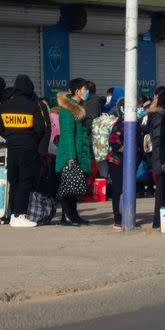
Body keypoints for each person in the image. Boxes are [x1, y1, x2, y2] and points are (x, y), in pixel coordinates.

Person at [0, 75, 45, 228]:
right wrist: (29, 139)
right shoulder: (33, 105)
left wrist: (11, 137)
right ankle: (20, 214)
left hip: (11, 148)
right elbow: (40, 129)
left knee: (14, 180)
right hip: (28, 148)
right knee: (25, 181)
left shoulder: (4, 106)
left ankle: (13, 215)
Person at [55, 79, 93, 226]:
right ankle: (69, 216)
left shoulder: (77, 107)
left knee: (72, 185)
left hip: (78, 151)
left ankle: (73, 215)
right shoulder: (67, 110)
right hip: (70, 153)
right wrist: (71, 157)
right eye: (85, 89)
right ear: (77, 91)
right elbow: (67, 134)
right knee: (68, 186)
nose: (87, 92)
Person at [106, 98, 143, 229]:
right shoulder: (120, 123)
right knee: (118, 190)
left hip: (128, 162)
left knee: (127, 189)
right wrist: (125, 149)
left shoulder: (136, 123)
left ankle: (126, 217)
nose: (138, 109)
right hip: (117, 162)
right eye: (135, 107)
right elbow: (113, 140)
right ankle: (117, 219)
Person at [147, 90, 165, 229]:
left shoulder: (159, 115)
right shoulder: (160, 117)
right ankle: (158, 222)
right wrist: (163, 160)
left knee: (164, 191)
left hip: (162, 157)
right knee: (162, 192)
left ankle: (162, 221)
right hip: (161, 158)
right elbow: (159, 139)